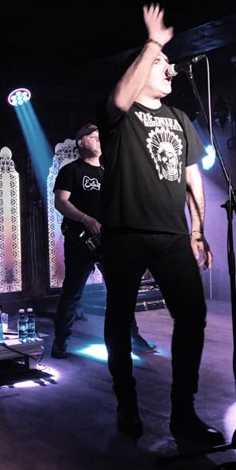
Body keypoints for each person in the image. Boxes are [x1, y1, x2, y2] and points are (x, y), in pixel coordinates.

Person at [96, 4, 223, 445]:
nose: (169, 69)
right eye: (160, 64)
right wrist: (153, 43)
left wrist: (198, 230)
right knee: (119, 317)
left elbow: (193, 179)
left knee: (192, 315)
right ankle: (126, 402)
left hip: (172, 235)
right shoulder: (120, 114)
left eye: (169, 63)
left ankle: (183, 413)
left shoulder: (181, 119)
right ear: (140, 68)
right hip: (125, 232)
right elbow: (118, 99)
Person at [51, 122, 157, 359]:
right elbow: (61, 202)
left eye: (100, 136)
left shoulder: (109, 173)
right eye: (93, 136)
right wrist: (85, 219)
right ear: (81, 142)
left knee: (120, 291)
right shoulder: (70, 171)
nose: (99, 140)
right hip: (80, 241)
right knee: (73, 292)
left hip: (109, 242)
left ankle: (133, 338)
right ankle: (60, 341)